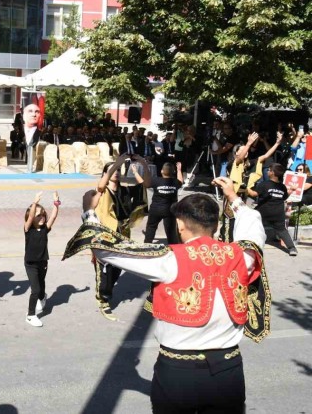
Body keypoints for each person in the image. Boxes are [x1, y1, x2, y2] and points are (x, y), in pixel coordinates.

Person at [64, 177, 270, 414]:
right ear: (215, 225)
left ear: (180, 224)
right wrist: (233, 197)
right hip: (228, 369)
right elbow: (253, 224)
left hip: (178, 370)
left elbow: (105, 247)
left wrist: (89, 212)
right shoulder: (241, 256)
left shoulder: (170, 258)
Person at [91, 153, 150, 321]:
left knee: (117, 268)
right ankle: (103, 299)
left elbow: (145, 185)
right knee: (105, 269)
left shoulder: (125, 190)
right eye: (112, 170)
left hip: (122, 235)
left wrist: (143, 163)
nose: (116, 172)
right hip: (105, 235)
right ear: (105, 174)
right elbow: (101, 185)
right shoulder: (103, 190)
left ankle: (106, 291)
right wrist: (117, 163)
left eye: (118, 170)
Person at [23, 191, 60, 327]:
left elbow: (54, 216)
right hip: (30, 264)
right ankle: (30, 315)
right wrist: (35, 202)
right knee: (35, 290)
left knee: (41, 284)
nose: (42, 217)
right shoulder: (28, 229)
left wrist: (56, 202)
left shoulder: (45, 229)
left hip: (43, 262)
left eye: (43, 214)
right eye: (39, 215)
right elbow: (31, 216)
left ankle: (43, 297)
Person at [248, 163, 298, 256]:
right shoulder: (282, 186)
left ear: (273, 173)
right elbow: (284, 197)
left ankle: (249, 243)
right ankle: (292, 248)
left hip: (264, 211)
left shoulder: (264, 184)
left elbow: (254, 194)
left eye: (269, 170)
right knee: (282, 230)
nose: (267, 171)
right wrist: (291, 190)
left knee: (253, 224)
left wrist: (246, 187)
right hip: (278, 213)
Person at [142, 162, 183, 244]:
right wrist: (179, 170)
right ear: (173, 172)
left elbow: (146, 184)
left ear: (161, 171)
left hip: (155, 209)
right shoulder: (175, 182)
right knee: (171, 230)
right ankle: (173, 247)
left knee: (151, 227)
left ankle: (147, 244)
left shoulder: (156, 180)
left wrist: (144, 170)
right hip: (170, 211)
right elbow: (181, 181)